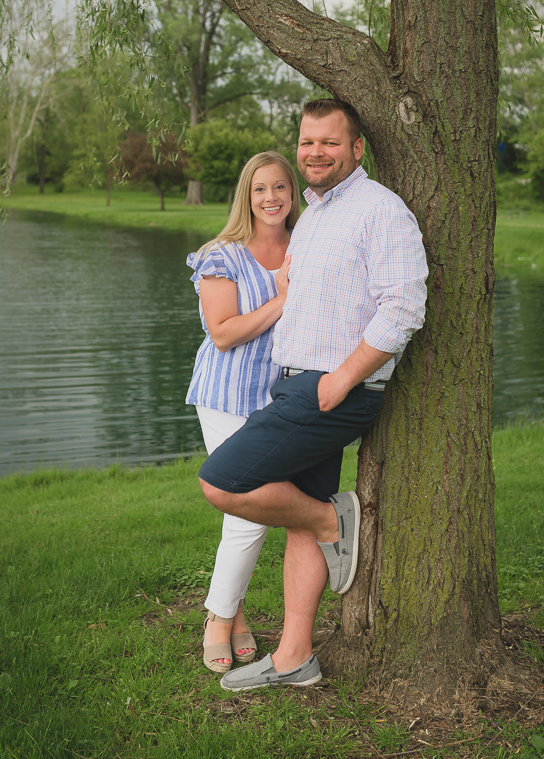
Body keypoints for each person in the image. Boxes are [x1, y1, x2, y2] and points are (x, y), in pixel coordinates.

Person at [197, 99, 428, 691]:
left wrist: (342, 379)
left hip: (332, 389)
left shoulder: (381, 210)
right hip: (297, 382)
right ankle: (294, 658)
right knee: (296, 521)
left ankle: (332, 520)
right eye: (307, 142)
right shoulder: (317, 215)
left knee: (220, 483)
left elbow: (403, 307)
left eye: (329, 143)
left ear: (356, 149)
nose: (315, 153)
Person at [186, 150, 301, 673]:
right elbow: (224, 333)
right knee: (248, 510)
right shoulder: (223, 254)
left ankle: (231, 614)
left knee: (248, 512)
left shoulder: (307, 245)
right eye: (260, 189)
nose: (271, 198)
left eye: (280, 187)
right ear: (246, 196)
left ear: (292, 192)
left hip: (283, 397)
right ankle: (219, 615)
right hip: (227, 396)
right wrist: (281, 299)